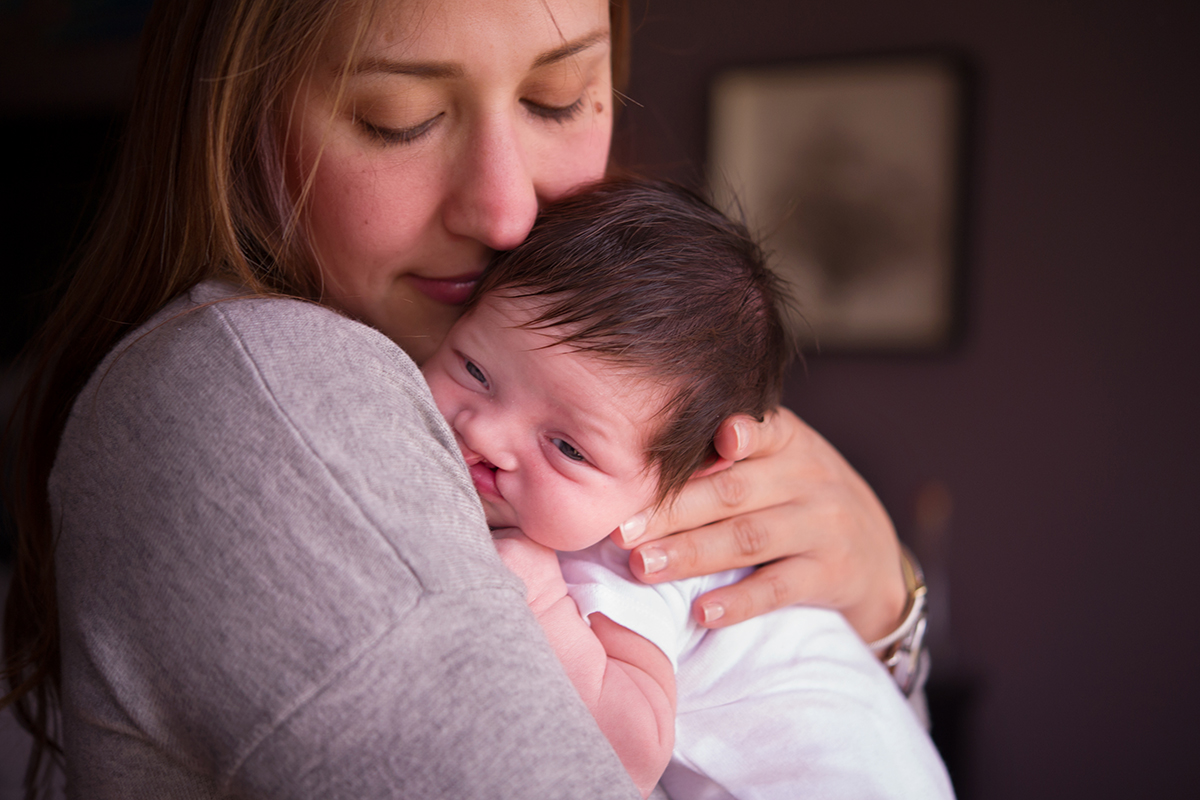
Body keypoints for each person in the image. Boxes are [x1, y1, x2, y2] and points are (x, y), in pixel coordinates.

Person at [2, 0, 920, 796]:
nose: (507, 212)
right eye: (398, 116)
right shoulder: (273, 391)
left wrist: (884, 609)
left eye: (557, 100)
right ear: (236, 116)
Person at [421, 177, 953, 800]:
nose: (485, 432)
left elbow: (632, 752)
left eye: (568, 448)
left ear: (676, 486)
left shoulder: (633, 554)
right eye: (475, 369)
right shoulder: (589, 501)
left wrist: (537, 597)